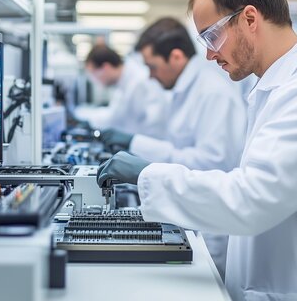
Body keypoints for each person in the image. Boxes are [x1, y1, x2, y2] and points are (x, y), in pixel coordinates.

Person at [97, 0, 297, 301]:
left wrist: (148, 174)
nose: (207, 54)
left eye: (211, 36)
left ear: (249, 19)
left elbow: (251, 200)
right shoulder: (278, 87)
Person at [99, 18, 247, 279]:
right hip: (189, 216)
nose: (150, 75)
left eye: (152, 66)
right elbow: (175, 146)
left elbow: (212, 163)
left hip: (210, 229)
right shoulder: (183, 90)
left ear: (176, 57)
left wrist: (144, 164)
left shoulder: (212, 93)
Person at [73, 44, 167, 138]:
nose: (94, 81)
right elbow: (114, 114)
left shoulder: (138, 81)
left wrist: (82, 116)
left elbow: (115, 118)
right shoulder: (125, 80)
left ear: (106, 67)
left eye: (93, 74)